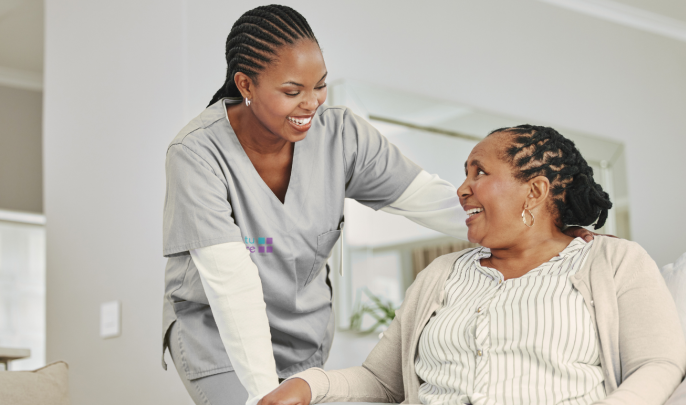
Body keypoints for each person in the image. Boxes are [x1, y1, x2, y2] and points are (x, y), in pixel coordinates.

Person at [161, 5, 596, 405]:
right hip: (218, 338)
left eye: (320, 85)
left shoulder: (340, 136)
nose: (311, 103)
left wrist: (546, 228)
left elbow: (431, 200)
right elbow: (231, 285)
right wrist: (262, 394)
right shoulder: (197, 154)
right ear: (245, 85)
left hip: (303, 340)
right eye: (293, 91)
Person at [261, 125, 686, 405]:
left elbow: (658, 364)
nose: (463, 189)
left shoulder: (613, 261)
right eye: (466, 174)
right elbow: (382, 381)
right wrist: (309, 384)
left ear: (535, 191)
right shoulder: (441, 274)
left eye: (479, 172)